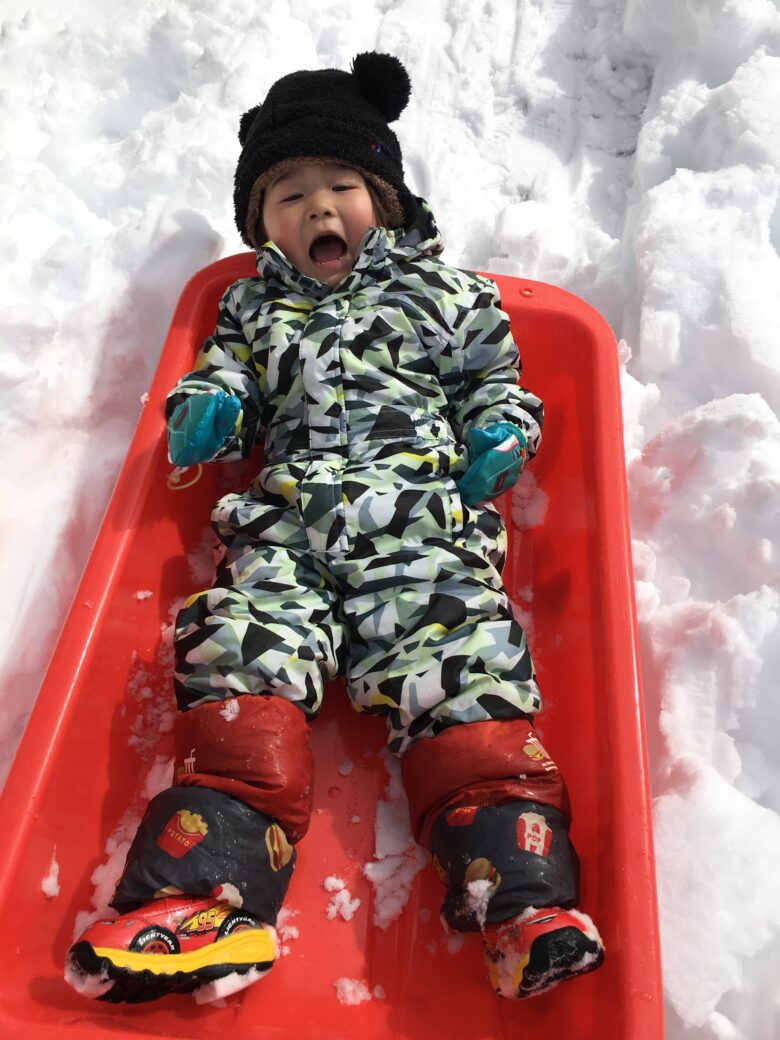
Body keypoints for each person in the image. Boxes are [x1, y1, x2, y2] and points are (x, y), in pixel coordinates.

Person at [66, 51, 604, 1005]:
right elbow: (228, 370)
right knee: (242, 656)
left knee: (464, 666)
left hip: (418, 525)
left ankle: (519, 900)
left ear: (385, 200)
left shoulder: (447, 296)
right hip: (290, 527)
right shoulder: (252, 303)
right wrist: (211, 406)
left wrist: (499, 429)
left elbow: (494, 377)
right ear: (259, 227)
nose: (318, 210)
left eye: (341, 186)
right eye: (287, 197)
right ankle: (202, 897)